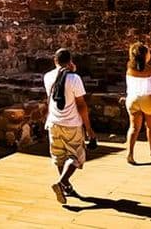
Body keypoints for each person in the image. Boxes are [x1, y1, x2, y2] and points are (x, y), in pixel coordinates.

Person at [44, 47, 96, 204]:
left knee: (60, 157)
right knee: (76, 157)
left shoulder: (47, 76)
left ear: (55, 60)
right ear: (70, 61)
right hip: (71, 123)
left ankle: (65, 186)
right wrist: (89, 129)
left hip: (54, 122)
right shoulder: (74, 78)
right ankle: (61, 183)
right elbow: (81, 105)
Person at [125, 41, 151, 164]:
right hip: (146, 100)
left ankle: (130, 154)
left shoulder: (129, 68)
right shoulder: (150, 69)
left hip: (132, 99)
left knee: (134, 128)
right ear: (145, 55)